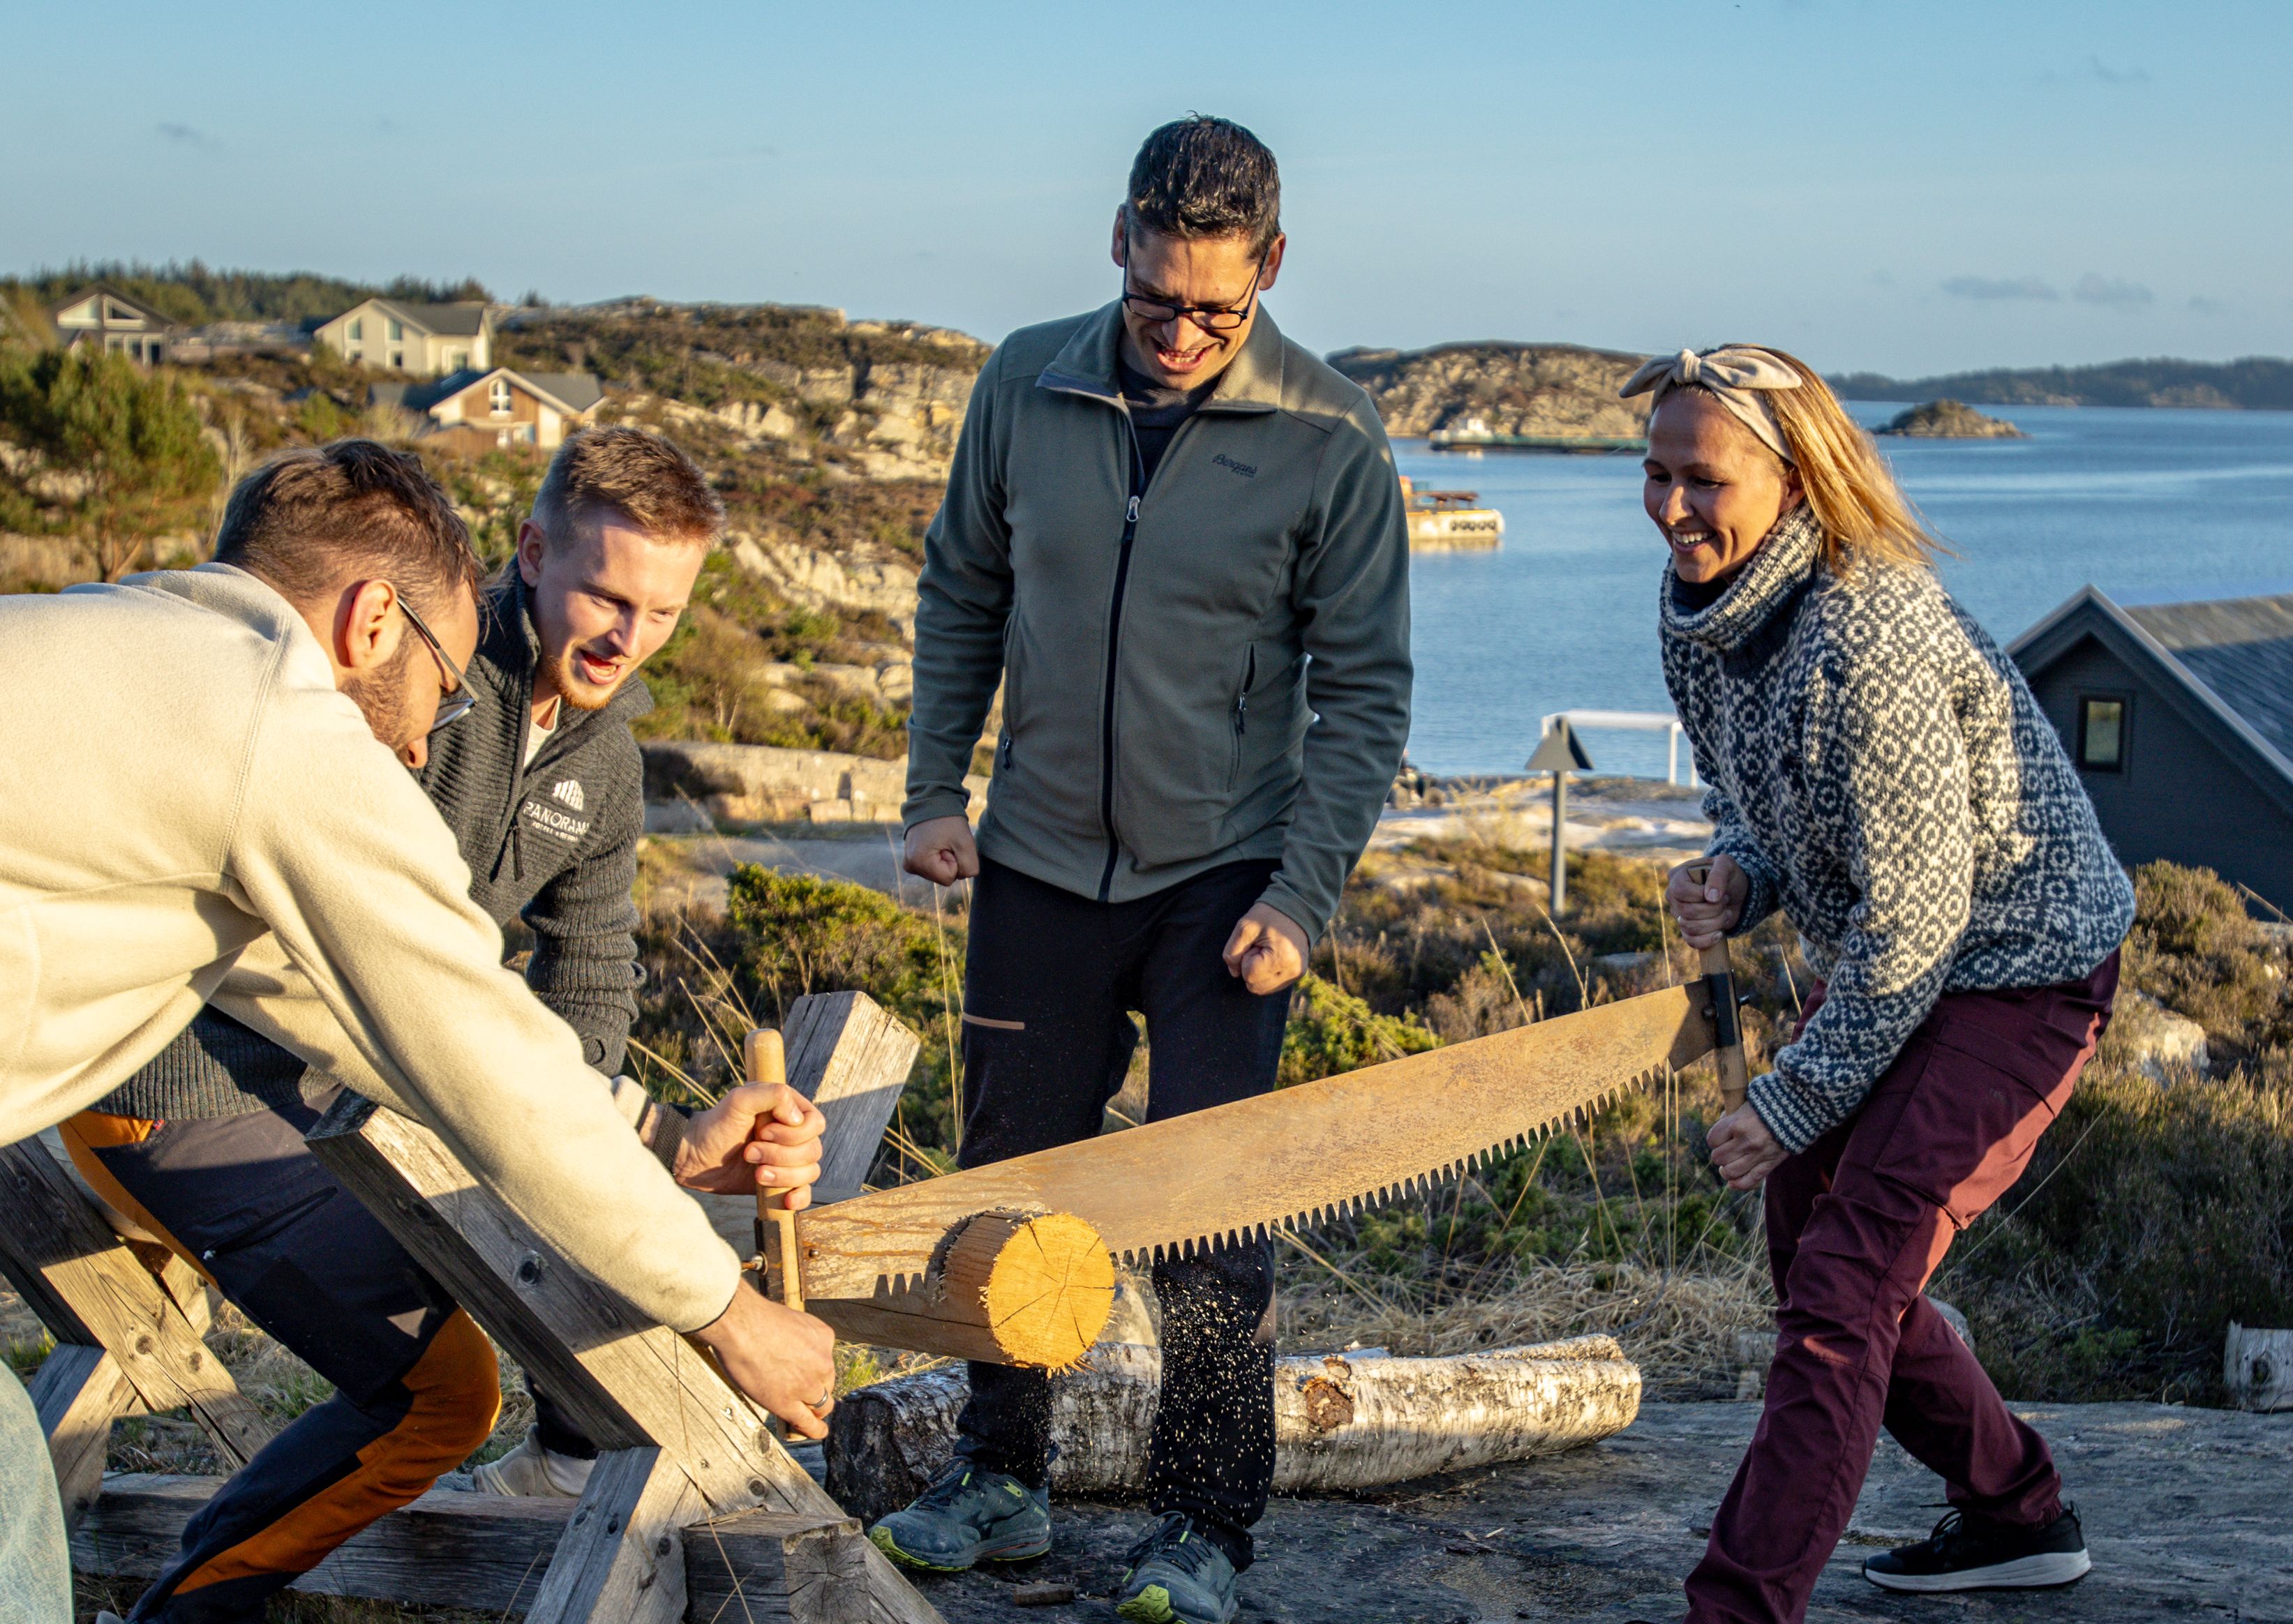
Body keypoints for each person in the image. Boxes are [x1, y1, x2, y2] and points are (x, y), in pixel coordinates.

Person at [0, 440, 836, 1623]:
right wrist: (723, 1304)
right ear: (375, 618)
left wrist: (648, 1133)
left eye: (663, 611)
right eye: (436, 692)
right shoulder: (274, 726)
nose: (408, 748)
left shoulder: (135, 642)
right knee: (433, 1387)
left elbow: (377, 1018)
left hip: (318, 1101)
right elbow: (455, 1033)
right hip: (188, 1102)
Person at [881, 116, 1412, 1624]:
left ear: (1274, 269)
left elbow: (1363, 693)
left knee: (1204, 1222)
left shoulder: (1329, 436)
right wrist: (934, 790)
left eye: (1216, 310)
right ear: (1118, 240)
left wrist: (1299, 897)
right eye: (1156, 297)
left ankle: (1202, 1524)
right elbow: (959, 588)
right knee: (1005, 1196)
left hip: (1222, 885)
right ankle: (999, 1480)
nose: (1179, 333)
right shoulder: (1022, 379)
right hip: (1037, 864)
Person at [1631, 346, 2135, 1624]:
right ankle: (2018, 1516)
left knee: (1843, 1289)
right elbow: (1766, 804)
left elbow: (1920, 920)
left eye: (1704, 479)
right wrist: (1736, 876)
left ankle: (1736, 1609)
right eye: (1655, 473)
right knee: (1819, 1264)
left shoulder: (1871, 630)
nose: (1674, 507)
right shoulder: (1700, 609)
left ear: (1796, 480)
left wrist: (1791, 1102)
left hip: (2018, 969)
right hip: (1895, 968)